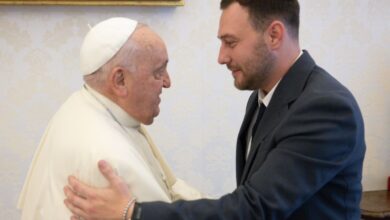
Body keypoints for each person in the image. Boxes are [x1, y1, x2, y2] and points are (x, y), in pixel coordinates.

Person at [64, 0, 366, 219]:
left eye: (230, 42)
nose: (221, 57)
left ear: (274, 35)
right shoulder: (263, 96)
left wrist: (133, 213)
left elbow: (254, 209)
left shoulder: (325, 108)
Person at [18, 17, 203, 220]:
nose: (168, 82)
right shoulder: (110, 162)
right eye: (158, 72)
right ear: (120, 80)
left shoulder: (80, 103)